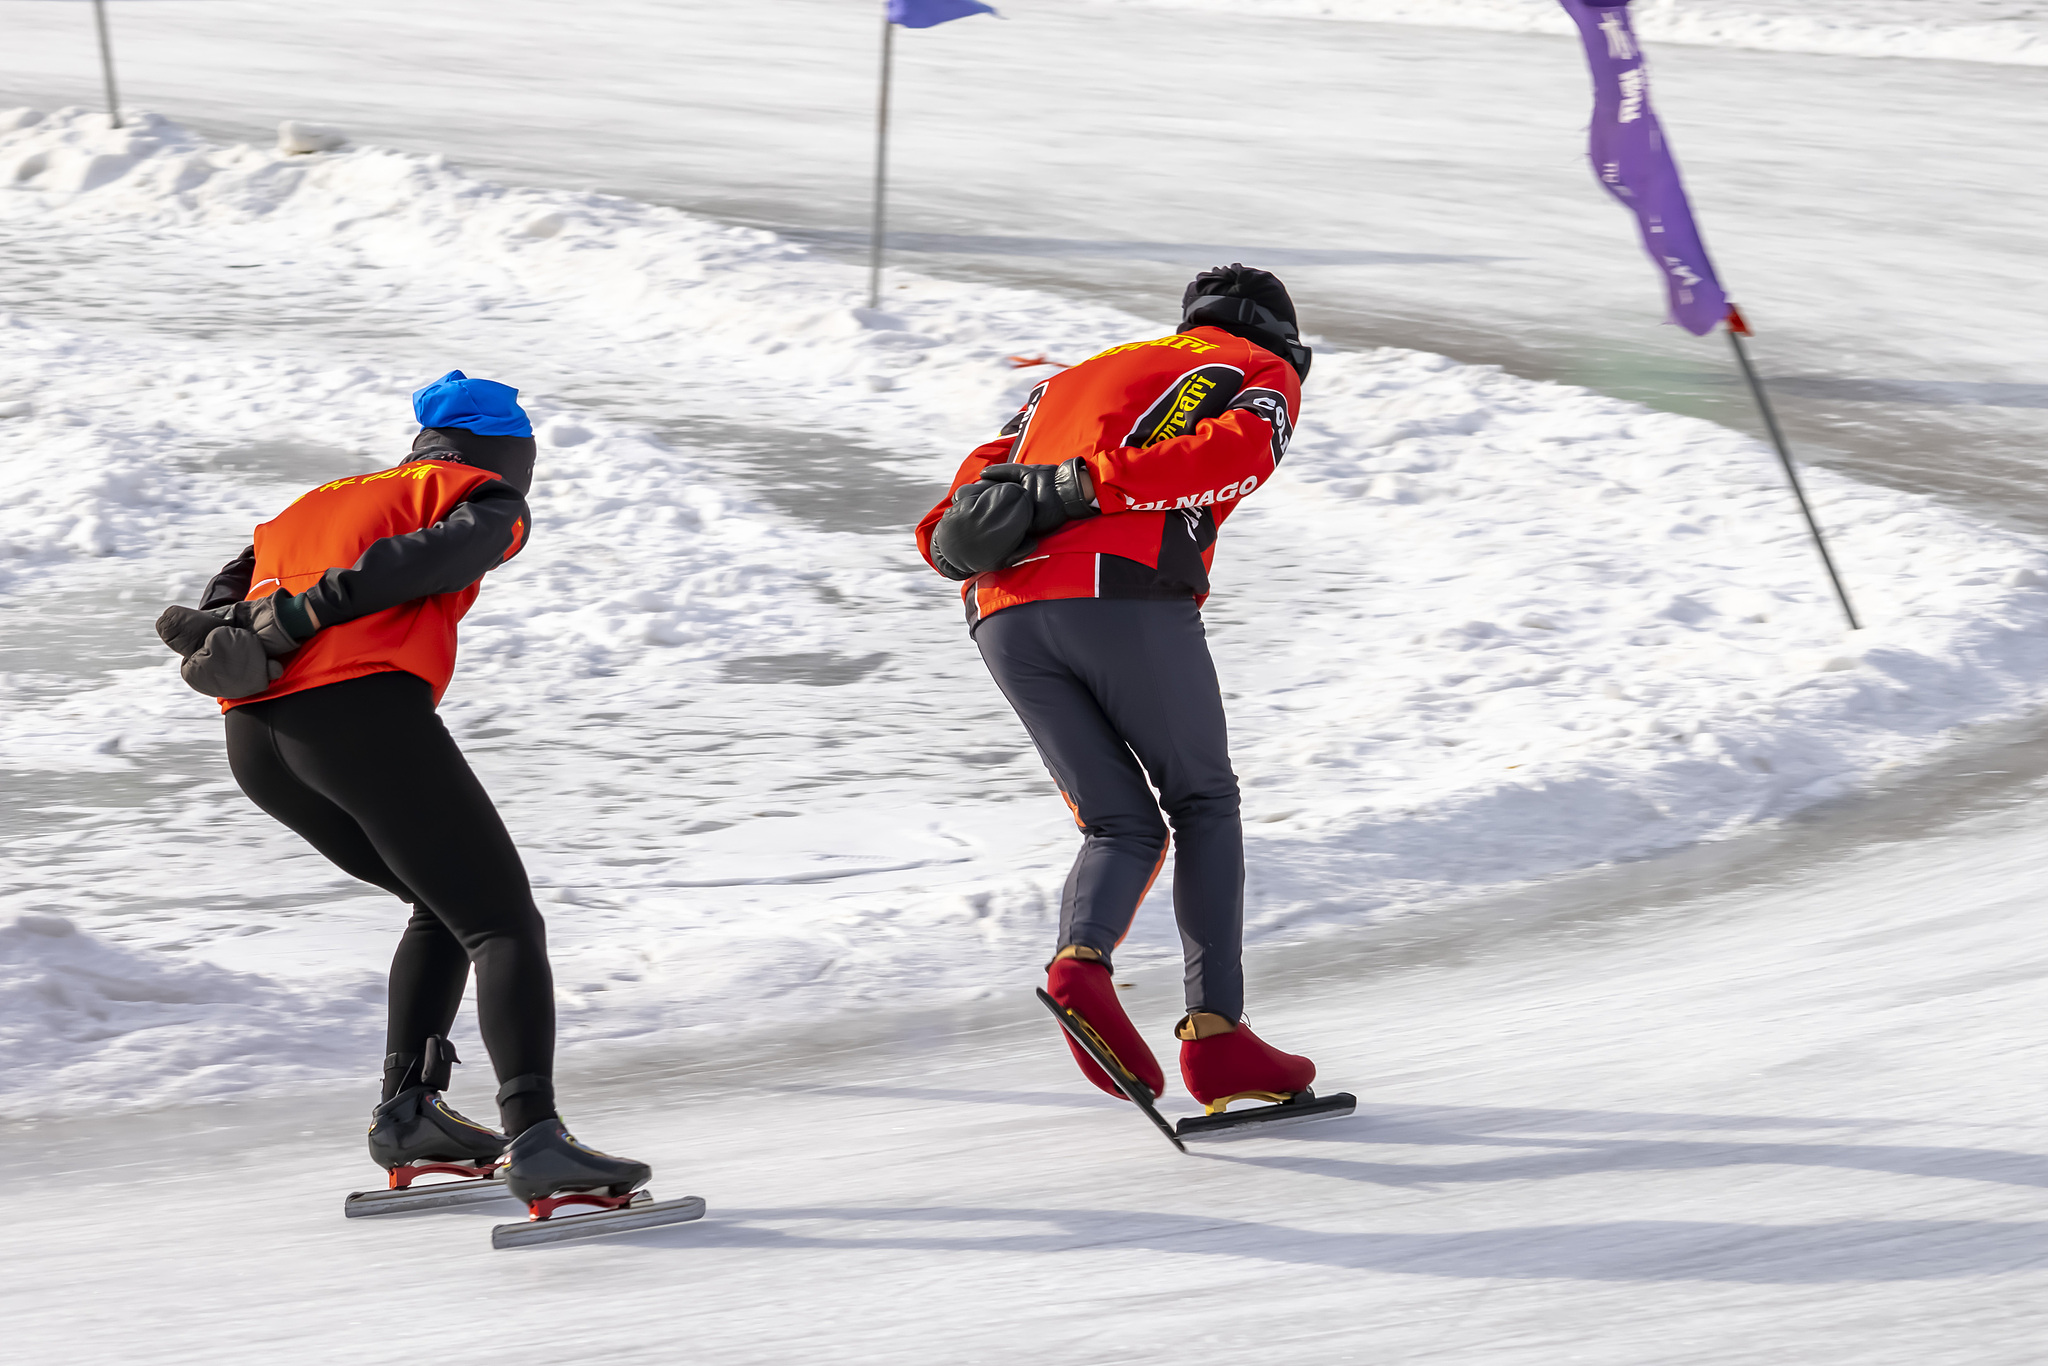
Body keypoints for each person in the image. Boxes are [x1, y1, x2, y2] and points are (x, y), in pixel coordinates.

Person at [155, 371, 649, 1211]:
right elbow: (432, 557)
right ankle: (536, 1138)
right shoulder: (479, 491)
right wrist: (313, 615)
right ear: (509, 450)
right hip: (356, 718)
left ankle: (410, 1112)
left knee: (443, 906)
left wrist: (229, 627)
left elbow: (225, 590)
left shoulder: (317, 502)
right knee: (501, 921)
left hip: (260, 743)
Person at [914, 265, 1324, 1117]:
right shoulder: (1258, 370)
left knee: (1119, 822)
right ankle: (1219, 1036)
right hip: (1119, 590)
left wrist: (1023, 506)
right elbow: (1237, 455)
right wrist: (1095, 486)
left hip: (1000, 615)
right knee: (1204, 801)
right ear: (1282, 336)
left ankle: (1080, 966)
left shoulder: (1067, 380)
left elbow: (954, 515)